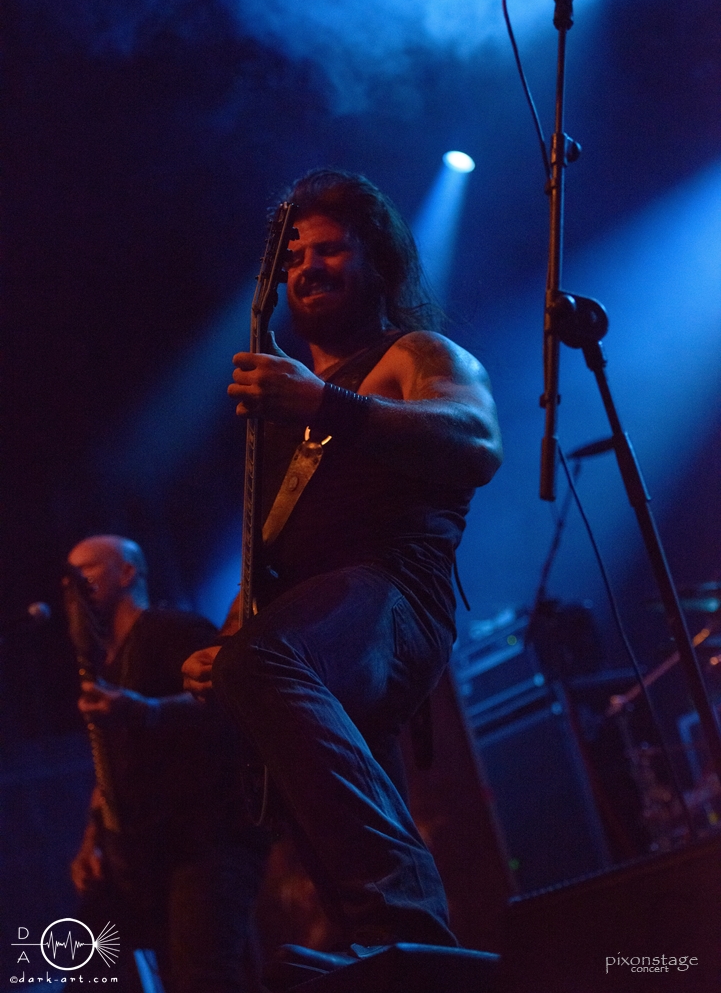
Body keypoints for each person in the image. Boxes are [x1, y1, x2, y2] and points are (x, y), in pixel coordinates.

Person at [182, 170, 503, 985]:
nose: (306, 268)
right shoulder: (284, 411)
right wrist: (226, 642)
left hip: (392, 598)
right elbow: (269, 551)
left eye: (329, 250)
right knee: (319, 802)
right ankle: (408, 960)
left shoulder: (413, 354)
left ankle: (405, 922)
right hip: (322, 631)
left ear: (378, 261)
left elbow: (476, 441)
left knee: (266, 664)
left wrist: (329, 403)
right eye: (293, 258)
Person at [66, 534, 268, 993]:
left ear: (127, 572)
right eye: (68, 578)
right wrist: (91, 843)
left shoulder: (169, 629)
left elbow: (228, 696)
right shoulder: (106, 667)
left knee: (204, 978)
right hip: (153, 852)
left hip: (207, 838)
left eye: (86, 571)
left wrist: (147, 710)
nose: (73, 586)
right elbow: (111, 763)